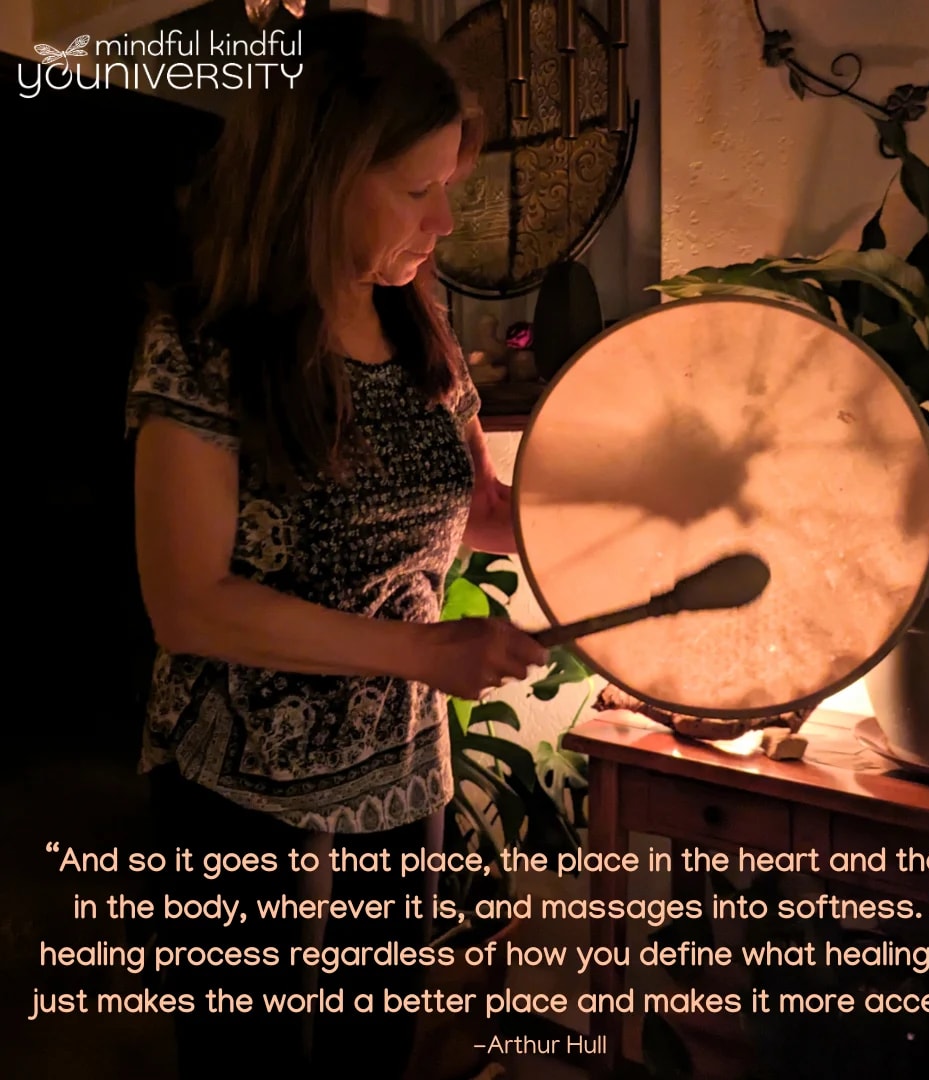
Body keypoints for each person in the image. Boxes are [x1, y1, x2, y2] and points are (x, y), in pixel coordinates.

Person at [124, 11, 547, 1078]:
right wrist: (424, 652)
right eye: (417, 190)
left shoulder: (417, 323)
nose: (443, 220)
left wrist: (648, 508)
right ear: (318, 180)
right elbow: (189, 603)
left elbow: (478, 511)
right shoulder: (206, 345)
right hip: (238, 790)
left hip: (400, 775)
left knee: (374, 1053)